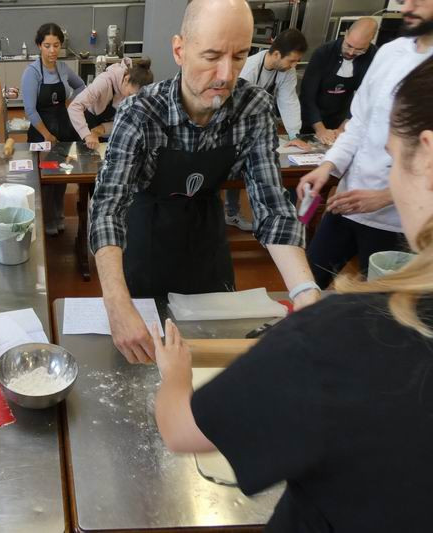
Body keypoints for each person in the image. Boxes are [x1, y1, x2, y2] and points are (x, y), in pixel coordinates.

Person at [151, 55, 433, 531]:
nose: (226, 72)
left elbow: (182, 429)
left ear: (427, 153)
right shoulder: (147, 108)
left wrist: (175, 375)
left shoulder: (356, 333)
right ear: (180, 50)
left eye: (389, 156)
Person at [89, 0, 320, 365]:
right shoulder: (141, 113)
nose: (226, 75)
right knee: (143, 357)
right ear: (180, 50)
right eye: (212, 56)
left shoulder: (254, 108)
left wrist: (305, 293)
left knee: (215, 359)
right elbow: (107, 208)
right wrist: (116, 304)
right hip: (146, 238)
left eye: (240, 57)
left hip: (205, 239)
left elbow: (273, 208)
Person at [297, 0, 433, 288]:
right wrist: (329, 166)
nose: (408, 4)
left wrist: (385, 196)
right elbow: (359, 123)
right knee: (308, 281)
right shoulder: (390, 53)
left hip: (400, 221)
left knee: (384, 306)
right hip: (348, 203)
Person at [225, 28, 309, 231]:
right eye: (292, 60)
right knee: (236, 169)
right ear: (277, 54)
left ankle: (279, 218)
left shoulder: (286, 72)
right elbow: (236, 107)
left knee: (277, 165)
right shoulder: (249, 68)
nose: (294, 65)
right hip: (235, 125)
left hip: (261, 125)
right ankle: (232, 213)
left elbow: (288, 100)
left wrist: (293, 134)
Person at [22, 23, 86, 236]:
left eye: (56, 45)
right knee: (46, 179)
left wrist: (72, 104)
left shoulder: (63, 69)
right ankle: (47, 221)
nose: (52, 51)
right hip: (42, 132)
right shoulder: (32, 73)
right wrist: (48, 135)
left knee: (62, 175)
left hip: (64, 129)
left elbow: (81, 87)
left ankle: (59, 217)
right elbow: (30, 110)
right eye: (47, 45)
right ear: (39, 45)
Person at [300, 18, 378, 145]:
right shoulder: (323, 53)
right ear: (346, 33)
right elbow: (307, 96)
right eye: (349, 45)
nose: (351, 52)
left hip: (344, 117)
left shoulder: (374, 57)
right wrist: (320, 129)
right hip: (313, 117)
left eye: (359, 49)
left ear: (371, 41)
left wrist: (343, 128)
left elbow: (365, 97)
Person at [67, 57, 153, 149]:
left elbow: (126, 120)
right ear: (126, 79)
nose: (131, 99)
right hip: (86, 124)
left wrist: (101, 129)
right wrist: (86, 134)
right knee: (87, 159)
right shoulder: (103, 82)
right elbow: (74, 106)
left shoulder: (134, 94)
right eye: (130, 94)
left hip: (105, 131)